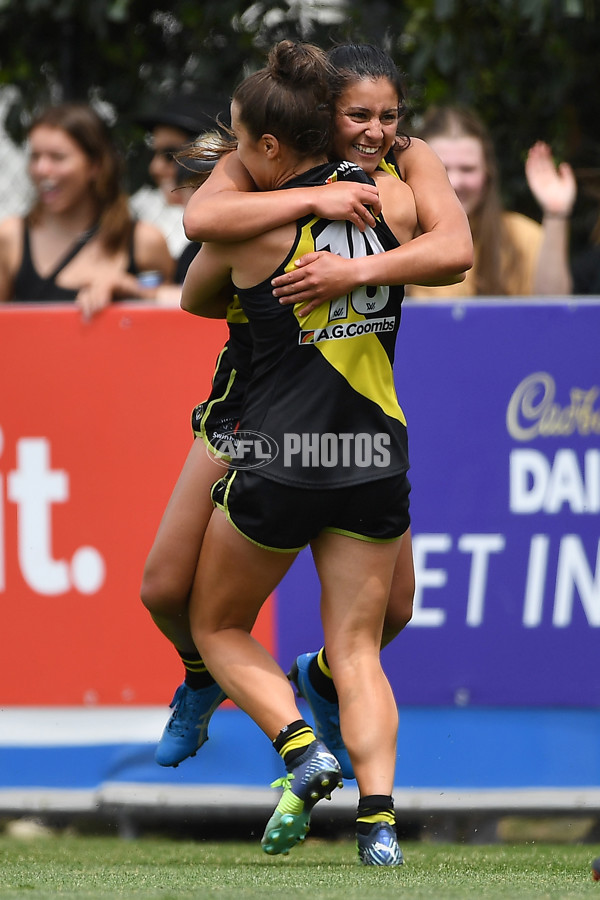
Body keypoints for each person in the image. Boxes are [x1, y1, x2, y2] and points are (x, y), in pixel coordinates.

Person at [141, 43, 471, 787]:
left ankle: (320, 680)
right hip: (252, 400)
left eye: (389, 115)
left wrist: (353, 270)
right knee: (165, 589)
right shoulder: (260, 160)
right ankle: (203, 677)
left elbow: (457, 248)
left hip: (351, 420)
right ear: (320, 119)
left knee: (395, 612)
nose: (377, 130)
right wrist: (312, 201)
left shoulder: (408, 165)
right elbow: (200, 224)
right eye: (358, 114)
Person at [181, 38, 415, 865]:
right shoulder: (397, 204)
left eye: (241, 146)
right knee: (359, 647)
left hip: (285, 453)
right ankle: (379, 825)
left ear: (270, 146)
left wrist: (270, 203)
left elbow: (194, 288)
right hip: (373, 451)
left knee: (215, 625)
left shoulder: (247, 231)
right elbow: (450, 244)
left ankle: (299, 746)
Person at [0, 102, 173, 317]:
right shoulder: (12, 235)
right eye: (35, 157)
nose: (42, 169)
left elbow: (172, 317)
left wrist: (131, 287)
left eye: (57, 157)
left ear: (95, 165)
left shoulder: (143, 241)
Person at [405, 106, 576, 299]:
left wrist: (555, 214)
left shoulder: (521, 235)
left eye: (468, 169)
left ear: (487, 173)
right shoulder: (394, 232)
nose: (455, 181)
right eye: (442, 169)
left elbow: (555, 309)